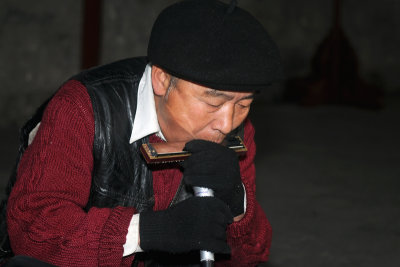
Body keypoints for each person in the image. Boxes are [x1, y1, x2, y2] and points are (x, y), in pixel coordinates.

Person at [0, 0, 282, 266]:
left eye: (244, 104)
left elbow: (248, 258)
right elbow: (32, 229)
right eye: (212, 102)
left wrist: (236, 202)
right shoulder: (83, 107)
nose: (226, 122)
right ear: (161, 79)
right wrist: (148, 231)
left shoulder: (237, 130)